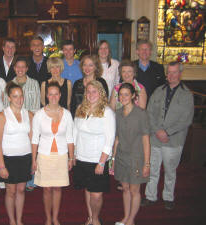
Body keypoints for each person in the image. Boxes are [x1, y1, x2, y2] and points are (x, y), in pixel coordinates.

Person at [141, 61, 194, 210]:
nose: (171, 75)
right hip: (155, 138)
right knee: (152, 169)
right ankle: (150, 196)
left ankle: (168, 196)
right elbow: (150, 113)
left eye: (174, 72)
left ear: (180, 73)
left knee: (170, 171)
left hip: (173, 140)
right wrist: (157, 130)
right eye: (169, 72)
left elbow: (186, 119)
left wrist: (167, 132)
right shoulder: (158, 91)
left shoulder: (186, 95)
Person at [73, 80, 115, 225]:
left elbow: (110, 140)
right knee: (88, 189)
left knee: (96, 194)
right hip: (82, 157)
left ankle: (96, 218)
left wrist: (102, 162)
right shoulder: (80, 109)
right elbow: (74, 133)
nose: (91, 94)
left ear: (101, 93)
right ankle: (90, 216)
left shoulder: (107, 112)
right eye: (88, 91)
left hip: (97, 160)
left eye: (94, 91)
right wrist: (73, 155)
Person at [32, 82, 74, 225]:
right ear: (47, 96)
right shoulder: (39, 114)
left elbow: (70, 137)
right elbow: (34, 139)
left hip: (61, 155)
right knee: (47, 189)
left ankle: (55, 218)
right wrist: (33, 159)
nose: (54, 96)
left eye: (56, 93)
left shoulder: (67, 114)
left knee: (57, 188)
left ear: (60, 95)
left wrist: (71, 157)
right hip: (44, 155)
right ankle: (48, 219)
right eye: (51, 94)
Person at [111, 83, 151, 225]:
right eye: (120, 94)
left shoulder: (141, 113)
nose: (123, 97)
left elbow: (146, 139)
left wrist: (147, 163)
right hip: (122, 156)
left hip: (136, 157)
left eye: (126, 94)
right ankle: (125, 217)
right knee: (125, 189)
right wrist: (114, 158)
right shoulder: (118, 113)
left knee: (134, 189)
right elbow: (117, 138)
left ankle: (131, 219)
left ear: (133, 95)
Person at [0, 82, 33, 225]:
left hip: (25, 157)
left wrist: (34, 160)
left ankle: (19, 220)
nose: (19, 99)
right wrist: (2, 166)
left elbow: (32, 139)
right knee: (10, 191)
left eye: (21, 96)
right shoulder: (2, 115)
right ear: (9, 98)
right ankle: (12, 221)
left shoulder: (28, 114)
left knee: (21, 189)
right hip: (9, 159)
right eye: (15, 96)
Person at [4, 56, 40, 190]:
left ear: (27, 68)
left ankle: (30, 181)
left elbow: (36, 105)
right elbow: (5, 106)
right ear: (14, 68)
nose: (20, 69)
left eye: (23, 67)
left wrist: (33, 124)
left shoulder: (34, 83)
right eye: (17, 67)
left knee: (30, 149)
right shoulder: (9, 85)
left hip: (29, 121)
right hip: (14, 122)